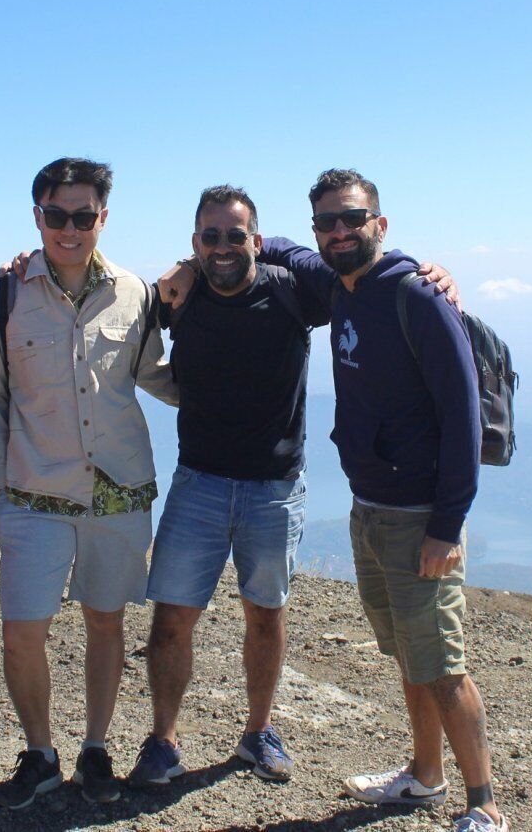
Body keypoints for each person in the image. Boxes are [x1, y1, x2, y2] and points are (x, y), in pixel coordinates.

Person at [134, 188, 458, 788]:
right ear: (194, 243)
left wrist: (424, 272)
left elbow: (360, 267)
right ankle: (163, 739)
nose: (225, 247)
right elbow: (105, 312)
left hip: (274, 486)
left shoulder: (292, 290)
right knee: (173, 619)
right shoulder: (177, 296)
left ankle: (258, 732)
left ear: (257, 239)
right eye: (211, 237)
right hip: (198, 481)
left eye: (237, 235)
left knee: (266, 613)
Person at [258, 169, 509, 832]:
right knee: (408, 654)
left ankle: (484, 805)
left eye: (353, 218)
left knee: (443, 665)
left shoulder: (416, 296)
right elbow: (282, 247)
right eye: (328, 223)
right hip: (369, 508)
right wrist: (243, 243)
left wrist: (447, 526)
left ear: (380, 223)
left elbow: (462, 419)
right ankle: (425, 776)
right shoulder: (340, 284)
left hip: (419, 515)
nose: (340, 232)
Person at [0, 157, 178, 808]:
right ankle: (40, 753)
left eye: (82, 216)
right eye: (56, 215)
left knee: (106, 622)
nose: (69, 228)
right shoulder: (2, 296)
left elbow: (153, 375)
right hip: (33, 492)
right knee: (22, 631)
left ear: (102, 219)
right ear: (37, 217)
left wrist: (235, 393)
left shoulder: (135, 293)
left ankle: (94, 748)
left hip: (117, 488)